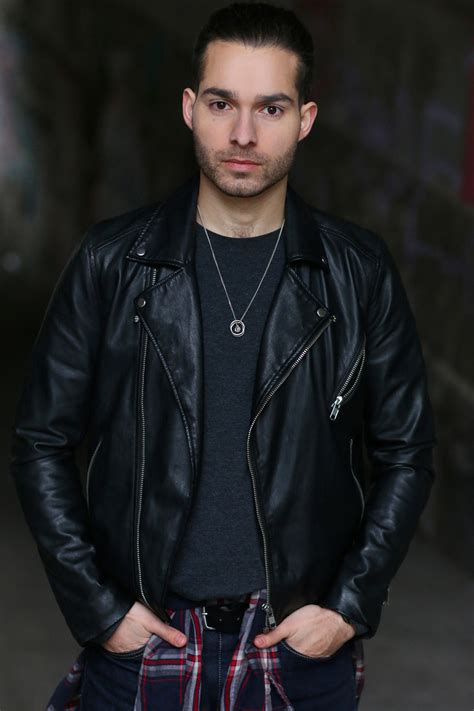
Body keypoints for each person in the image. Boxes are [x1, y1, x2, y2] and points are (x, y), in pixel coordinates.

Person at [10, 3, 436, 710]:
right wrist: (99, 608)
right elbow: (40, 442)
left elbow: (406, 452)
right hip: (147, 645)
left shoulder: (356, 273)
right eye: (221, 104)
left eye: (270, 108)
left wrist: (346, 607)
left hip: (293, 652)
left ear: (305, 118)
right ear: (189, 108)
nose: (243, 134)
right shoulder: (113, 262)